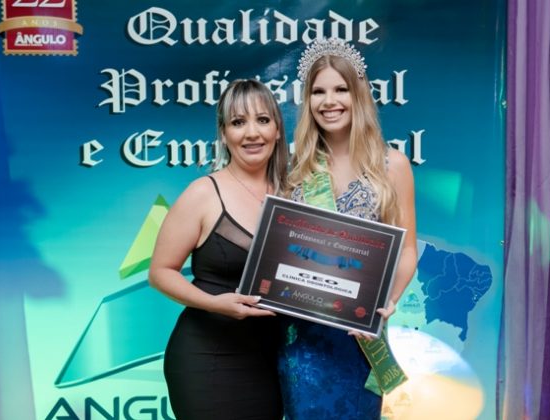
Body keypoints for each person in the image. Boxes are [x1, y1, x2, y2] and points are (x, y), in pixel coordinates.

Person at [277, 38, 418, 419]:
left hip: (361, 337)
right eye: (318, 92)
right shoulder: (294, 168)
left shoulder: (392, 165)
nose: (329, 101)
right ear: (307, 101)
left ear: (358, 94)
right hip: (304, 341)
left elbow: (407, 249)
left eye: (340, 89)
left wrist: (387, 303)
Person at [148, 79, 288, 419]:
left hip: (270, 361)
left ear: (277, 130)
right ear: (224, 134)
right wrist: (215, 304)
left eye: (262, 120)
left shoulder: (295, 193)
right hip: (208, 357)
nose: (252, 133)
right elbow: (160, 272)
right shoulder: (203, 193)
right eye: (238, 122)